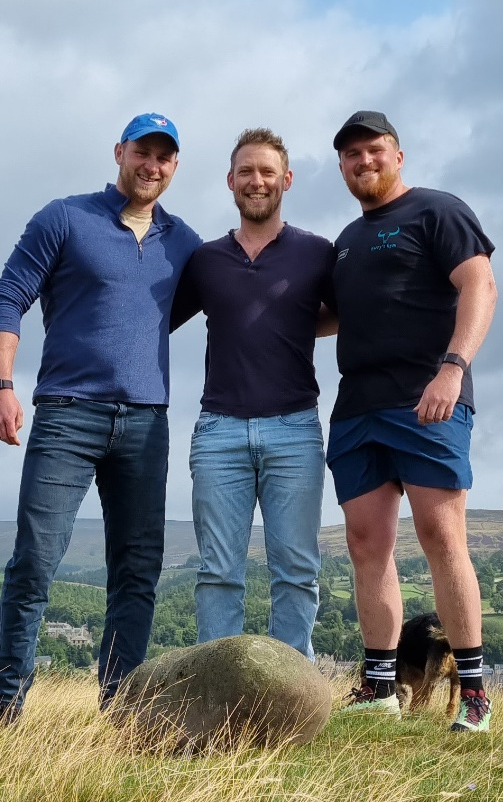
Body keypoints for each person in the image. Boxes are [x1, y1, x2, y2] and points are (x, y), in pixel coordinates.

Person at [0, 113, 202, 731]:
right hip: (67, 416)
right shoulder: (64, 218)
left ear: (175, 167)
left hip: (147, 424)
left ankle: (120, 716)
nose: (152, 165)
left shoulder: (184, 242)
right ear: (119, 151)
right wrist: (0, 385)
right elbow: (8, 297)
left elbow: (223, 300)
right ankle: (6, 713)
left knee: (137, 570)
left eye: (165, 157)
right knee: (35, 562)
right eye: (142, 152)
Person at [326, 111, 498, 731]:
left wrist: (453, 368)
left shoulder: (437, 211)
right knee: (366, 544)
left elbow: (481, 284)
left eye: (373, 151)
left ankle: (474, 696)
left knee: (441, 535)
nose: (362, 162)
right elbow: (335, 315)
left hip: (429, 399)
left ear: (398, 154)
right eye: (350, 156)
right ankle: (380, 691)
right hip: (357, 408)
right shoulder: (345, 240)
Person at [171, 128, 335, 660]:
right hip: (219, 430)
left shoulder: (317, 253)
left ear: (286, 180)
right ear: (230, 182)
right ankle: (216, 691)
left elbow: (350, 313)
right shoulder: (205, 260)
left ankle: (292, 692)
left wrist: (292, 325)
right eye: (246, 172)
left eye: (267, 172)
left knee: (297, 572)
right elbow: (155, 320)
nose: (256, 181)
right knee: (218, 573)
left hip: (295, 429)